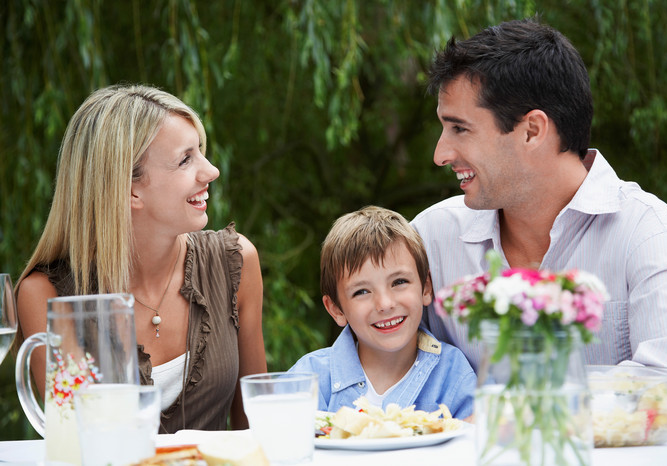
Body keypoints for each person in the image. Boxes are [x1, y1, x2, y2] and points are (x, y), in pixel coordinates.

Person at [410, 18, 667, 428]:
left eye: (459, 128)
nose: (441, 153)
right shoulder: (431, 236)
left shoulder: (646, 231)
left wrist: (515, 417)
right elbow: (371, 361)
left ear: (532, 130)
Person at [15, 84, 267, 432]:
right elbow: (77, 439)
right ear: (130, 189)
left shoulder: (235, 262)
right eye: (185, 159)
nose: (211, 172)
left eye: (201, 153)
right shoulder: (46, 296)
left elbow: (255, 430)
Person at [289, 206, 476, 419]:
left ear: (425, 287)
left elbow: (481, 441)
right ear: (336, 309)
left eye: (399, 282)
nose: (385, 304)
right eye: (361, 291)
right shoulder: (307, 380)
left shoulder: (453, 374)